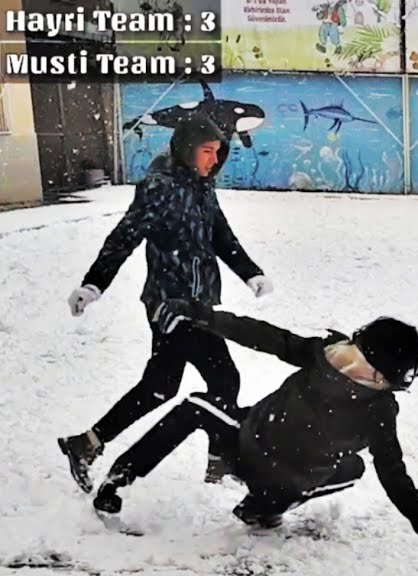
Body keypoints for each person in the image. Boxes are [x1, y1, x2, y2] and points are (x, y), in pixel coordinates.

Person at [90, 300, 418, 555]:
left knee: (355, 468)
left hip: (272, 466)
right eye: (349, 357)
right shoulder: (327, 360)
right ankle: (118, 481)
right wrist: (204, 315)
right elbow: (265, 336)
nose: (349, 368)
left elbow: (392, 469)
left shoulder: (377, 407)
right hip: (252, 446)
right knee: (198, 406)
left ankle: (264, 506)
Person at [58, 114, 273, 493]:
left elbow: (221, 235)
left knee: (160, 386)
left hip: (199, 303)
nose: (213, 160)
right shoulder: (159, 188)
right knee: (224, 380)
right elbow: (123, 238)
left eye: (217, 152)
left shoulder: (202, 186)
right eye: (206, 151)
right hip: (171, 306)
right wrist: (94, 285)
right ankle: (219, 460)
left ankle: (86, 443)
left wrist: (250, 272)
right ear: (187, 150)